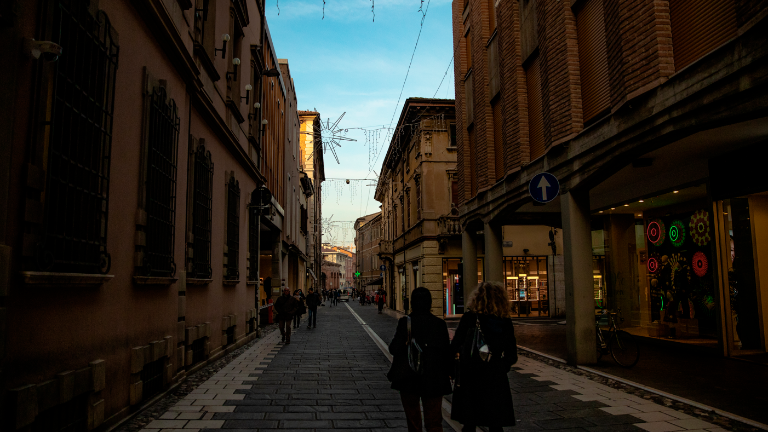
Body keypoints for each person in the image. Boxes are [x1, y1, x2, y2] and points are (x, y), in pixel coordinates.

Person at [450, 282, 518, 432]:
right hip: (494, 375)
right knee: (495, 423)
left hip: (470, 374)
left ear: (477, 298)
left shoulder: (469, 318)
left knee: (469, 422)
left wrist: (457, 366)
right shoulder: (504, 321)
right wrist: (500, 366)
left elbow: (455, 345)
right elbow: (511, 354)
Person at [387, 287, 452, 432]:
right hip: (434, 378)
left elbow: (393, 349)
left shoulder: (405, 323)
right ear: (430, 303)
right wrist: (450, 372)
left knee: (413, 422)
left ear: (412, 303)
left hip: (409, 378)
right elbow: (446, 352)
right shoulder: (439, 324)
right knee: (434, 422)